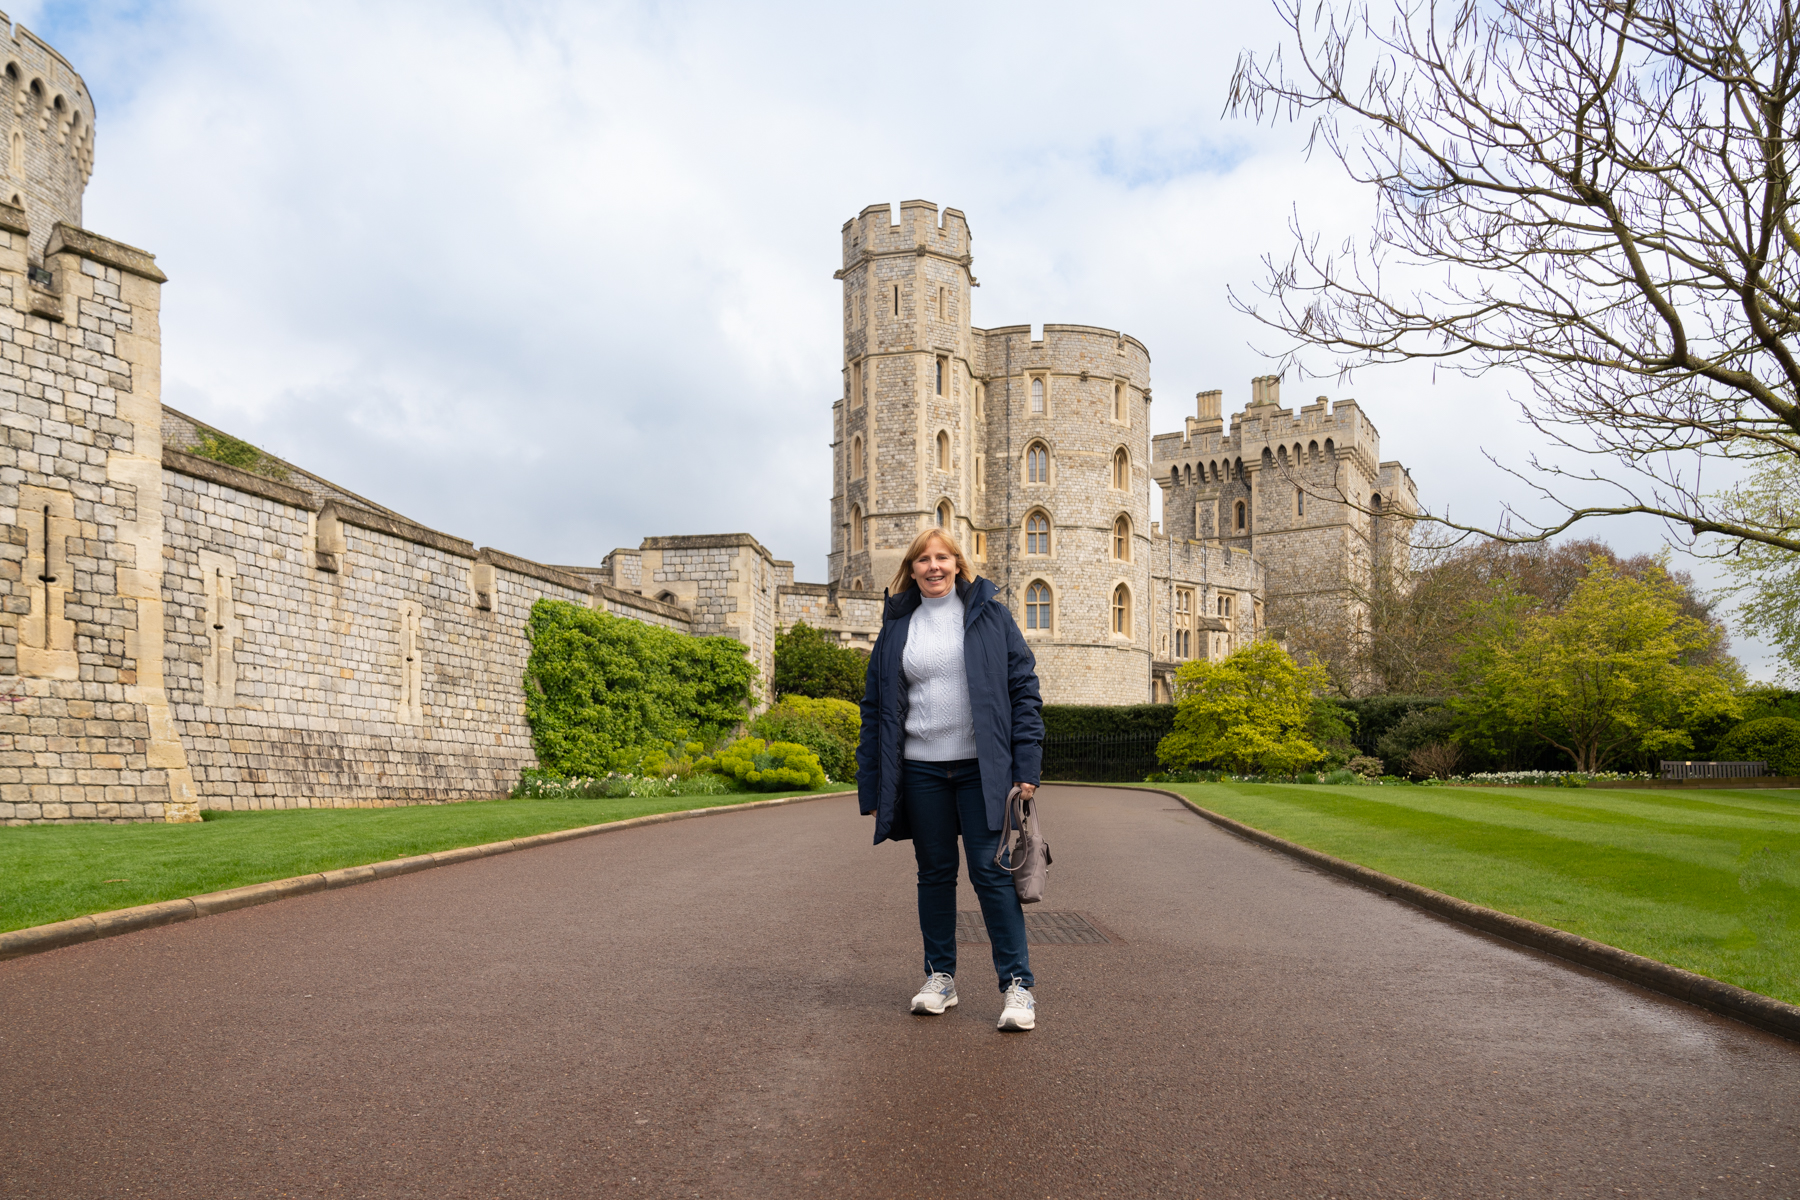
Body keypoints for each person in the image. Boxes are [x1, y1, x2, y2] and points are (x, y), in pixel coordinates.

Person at [856, 527, 1045, 1031]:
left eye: (943, 558)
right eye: (923, 559)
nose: (933, 567)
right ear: (911, 568)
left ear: (959, 564)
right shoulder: (898, 624)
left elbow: (1024, 690)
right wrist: (872, 784)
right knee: (935, 876)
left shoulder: (989, 615)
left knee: (991, 875)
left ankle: (1017, 986)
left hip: (982, 771)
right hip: (921, 770)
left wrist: (1027, 767)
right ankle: (940, 976)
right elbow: (875, 708)